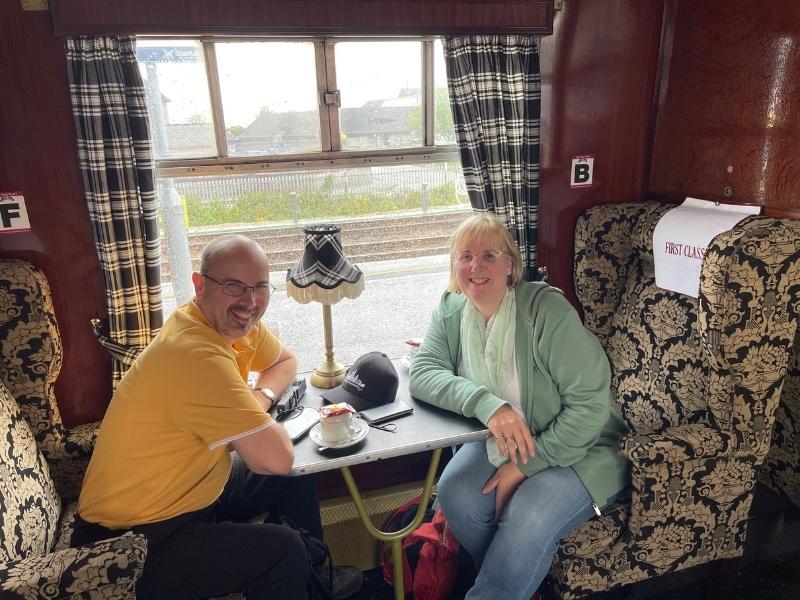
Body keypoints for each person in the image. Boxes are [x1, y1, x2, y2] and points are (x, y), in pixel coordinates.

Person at [74, 234, 361, 600]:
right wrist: (249, 417)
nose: (250, 301)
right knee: (281, 548)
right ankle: (296, 574)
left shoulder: (226, 324)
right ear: (199, 285)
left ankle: (311, 578)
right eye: (233, 285)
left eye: (259, 286)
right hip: (133, 538)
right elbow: (275, 456)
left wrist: (258, 399)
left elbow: (284, 362)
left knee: (296, 475)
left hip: (193, 492)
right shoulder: (196, 354)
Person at [408, 215, 629, 600]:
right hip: (506, 435)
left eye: (489, 255)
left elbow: (589, 409)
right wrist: (488, 406)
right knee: (456, 492)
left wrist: (523, 467)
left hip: (583, 444)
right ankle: (523, 585)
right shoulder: (451, 309)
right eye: (465, 256)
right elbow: (424, 372)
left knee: (528, 514)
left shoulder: (546, 313)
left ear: (510, 265)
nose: (475, 267)